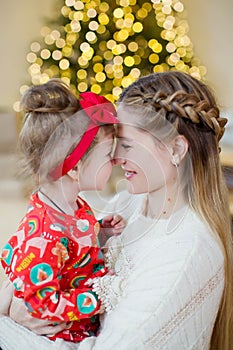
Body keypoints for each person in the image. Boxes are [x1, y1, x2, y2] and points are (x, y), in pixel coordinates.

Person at [0, 71, 233, 350]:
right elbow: (50, 261)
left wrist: (6, 324)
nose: (116, 157)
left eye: (126, 144)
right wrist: (14, 305)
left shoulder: (184, 255)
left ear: (175, 149)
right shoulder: (128, 201)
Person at [0, 79, 125, 346]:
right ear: (74, 168)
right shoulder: (45, 236)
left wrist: (100, 230)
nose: (114, 161)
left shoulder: (69, 207)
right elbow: (43, 307)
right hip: (61, 338)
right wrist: (101, 295)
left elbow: (72, 253)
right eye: (107, 156)